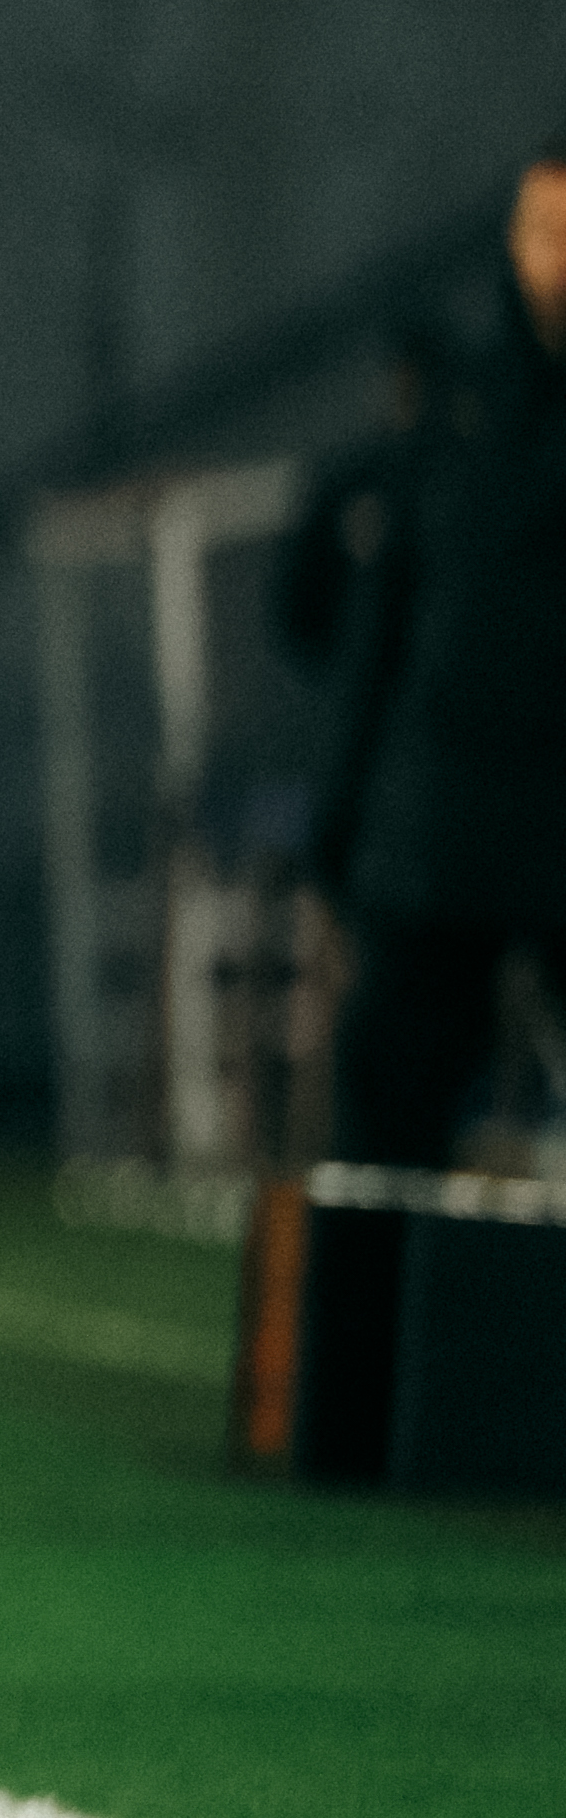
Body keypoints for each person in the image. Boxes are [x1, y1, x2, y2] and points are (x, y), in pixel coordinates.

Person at [310, 143, 566, 1171]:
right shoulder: (457, 413)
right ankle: (361, 1333)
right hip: (440, 836)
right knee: (382, 1126)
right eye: (548, 234)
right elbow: (379, 627)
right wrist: (345, 823)